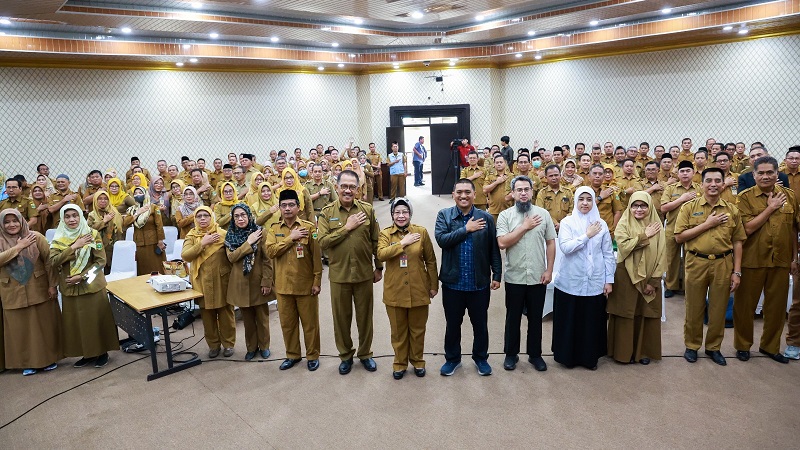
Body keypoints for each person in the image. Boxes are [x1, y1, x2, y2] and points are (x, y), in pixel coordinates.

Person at [674, 167, 746, 366]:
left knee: (718, 308)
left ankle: (714, 347)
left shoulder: (732, 210)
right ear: (702, 184)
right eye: (709, 181)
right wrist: (707, 224)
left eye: (717, 181)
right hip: (696, 261)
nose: (713, 184)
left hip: (723, 263)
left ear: (723, 184)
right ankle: (692, 345)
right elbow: (679, 236)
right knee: (694, 307)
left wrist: (737, 271)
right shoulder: (689, 207)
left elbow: (738, 241)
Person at [434, 179, 502, 376]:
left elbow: (493, 250)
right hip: (453, 283)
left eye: (467, 192)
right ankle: (452, 359)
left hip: (478, 283)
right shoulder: (444, 215)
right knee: (453, 324)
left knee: (480, 324)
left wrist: (496, 274)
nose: (463, 196)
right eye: (459, 192)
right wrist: (466, 229)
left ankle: (481, 358)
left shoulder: (486, 218)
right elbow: (442, 241)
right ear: (453, 194)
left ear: (474, 194)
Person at [318, 169, 383, 375]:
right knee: (341, 319)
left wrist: (379, 266)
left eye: (351, 187)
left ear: (358, 189)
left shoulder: (367, 210)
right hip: (339, 275)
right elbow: (322, 242)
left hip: (364, 273)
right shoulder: (327, 213)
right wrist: (346, 228)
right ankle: (345, 355)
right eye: (343, 186)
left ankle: (365, 354)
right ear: (336, 187)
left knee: (365, 318)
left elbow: (376, 240)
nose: (347, 190)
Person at [733, 156, 796, 364]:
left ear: (777, 174)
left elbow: (794, 230)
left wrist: (794, 258)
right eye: (761, 173)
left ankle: (770, 346)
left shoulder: (790, 197)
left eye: (770, 172)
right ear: (754, 175)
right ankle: (743, 345)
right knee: (745, 307)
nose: (766, 176)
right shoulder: (744, 198)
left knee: (776, 309)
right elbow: (747, 229)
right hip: (753, 260)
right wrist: (770, 208)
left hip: (781, 260)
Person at [497, 176, 555, 372]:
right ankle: (511, 355)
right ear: (512, 193)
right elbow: (503, 242)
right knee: (512, 318)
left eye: (526, 189)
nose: (523, 193)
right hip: (515, 276)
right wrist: (524, 227)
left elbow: (550, 243)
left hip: (538, 276)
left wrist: (549, 269)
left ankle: (535, 355)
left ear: (532, 192)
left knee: (536, 318)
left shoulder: (543, 214)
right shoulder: (505, 216)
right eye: (519, 190)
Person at [552, 187, 615, 370]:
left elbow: (608, 254)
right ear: (575, 201)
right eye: (581, 199)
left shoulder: (601, 224)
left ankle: (589, 358)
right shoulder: (567, 222)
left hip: (594, 280)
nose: (585, 203)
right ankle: (567, 358)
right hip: (571, 281)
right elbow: (566, 247)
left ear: (594, 201)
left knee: (590, 321)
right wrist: (587, 235)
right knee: (570, 320)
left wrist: (608, 280)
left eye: (589, 199)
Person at [50, 204, 118, 368]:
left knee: (96, 320)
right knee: (76, 323)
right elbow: (53, 262)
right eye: (67, 216)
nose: (72, 219)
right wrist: (73, 247)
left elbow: (100, 262)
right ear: (63, 219)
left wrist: (82, 277)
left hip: (91, 285)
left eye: (75, 215)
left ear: (80, 216)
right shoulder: (59, 238)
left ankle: (102, 352)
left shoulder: (92, 234)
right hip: (70, 288)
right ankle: (87, 354)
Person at [377, 198, 438, 379]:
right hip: (394, 291)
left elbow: (431, 261)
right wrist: (403, 243)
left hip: (418, 288)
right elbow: (381, 254)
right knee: (398, 331)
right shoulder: (385, 234)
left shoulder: (421, 232)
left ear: (410, 214)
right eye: (397, 212)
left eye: (405, 212)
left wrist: (433, 285)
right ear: (392, 215)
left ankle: (418, 361)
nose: (401, 216)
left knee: (418, 330)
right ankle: (400, 363)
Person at [265, 190, 322, 371]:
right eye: (284, 205)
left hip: (305, 285)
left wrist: (317, 281)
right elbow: (271, 252)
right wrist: (291, 238)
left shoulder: (309, 228)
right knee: (287, 325)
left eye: (291, 205)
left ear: (298, 207)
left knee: (310, 325)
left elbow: (316, 257)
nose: (287, 209)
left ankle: (312, 356)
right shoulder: (274, 229)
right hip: (283, 286)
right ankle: (292, 355)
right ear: (279, 208)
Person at [0, 209, 61, 376]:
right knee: (19, 330)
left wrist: (52, 285)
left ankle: (48, 359)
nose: (11, 224)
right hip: (12, 292)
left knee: (43, 327)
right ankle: (27, 363)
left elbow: (49, 262)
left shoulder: (35, 237)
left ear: (21, 221)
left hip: (38, 288)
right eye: (7, 222)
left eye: (15, 220)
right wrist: (19, 247)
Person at [607, 192, 665, 365]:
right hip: (626, 275)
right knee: (626, 312)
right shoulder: (623, 223)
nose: (639, 209)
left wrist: (654, 281)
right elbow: (623, 247)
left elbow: (663, 254)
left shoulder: (657, 225)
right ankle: (623, 353)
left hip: (649, 276)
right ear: (630, 207)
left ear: (649, 207)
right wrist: (644, 235)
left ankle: (643, 352)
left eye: (643, 206)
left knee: (645, 313)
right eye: (635, 205)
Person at [181, 206, 236, 358]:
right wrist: (203, 243)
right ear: (195, 219)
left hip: (222, 280)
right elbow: (186, 255)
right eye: (199, 216)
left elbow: (233, 255)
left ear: (212, 217)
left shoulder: (223, 234)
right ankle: (213, 345)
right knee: (207, 316)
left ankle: (228, 345)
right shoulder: (192, 235)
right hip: (202, 282)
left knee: (226, 314)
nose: (203, 218)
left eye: (206, 215)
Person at [226, 204, 274, 362]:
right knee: (247, 320)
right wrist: (248, 242)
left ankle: (264, 346)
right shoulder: (230, 235)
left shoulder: (260, 232)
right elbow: (232, 257)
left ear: (249, 216)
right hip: (240, 283)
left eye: (243, 215)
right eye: (236, 216)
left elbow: (268, 260)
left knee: (262, 318)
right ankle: (251, 347)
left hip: (258, 281)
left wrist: (267, 282)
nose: (240, 219)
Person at [660, 160, 700, 298]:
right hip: (672, 228)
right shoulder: (671, 188)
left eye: (688, 171)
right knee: (671, 259)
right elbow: (663, 208)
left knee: (691, 259)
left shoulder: (699, 189)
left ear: (693, 173)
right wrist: (682, 199)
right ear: (677, 173)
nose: (684, 174)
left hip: (693, 230)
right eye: (682, 171)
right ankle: (671, 286)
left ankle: (687, 287)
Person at [128, 186, 166, 275]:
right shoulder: (132, 209)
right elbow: (125, 222)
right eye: (135, 193)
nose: (138, 195)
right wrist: (138, 213)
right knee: (142, 268)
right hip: (139, 242)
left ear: (145, 194)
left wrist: (160, 241)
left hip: (153, 242)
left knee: (156, 267)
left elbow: (159, 225)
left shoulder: (153, 207)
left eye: (140, 193)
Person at [87, 190, 125, 274]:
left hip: (114, 246)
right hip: (98, 247)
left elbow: (120, 228)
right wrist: (104, 222)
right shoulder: (92, 215)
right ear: (95, 201)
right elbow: (89, 230)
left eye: (105, 199)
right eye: (100, 199)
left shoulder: (114, 213)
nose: (103, 201)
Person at [535, 165, 573, 233]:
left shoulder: (568, 192)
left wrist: (562, 224)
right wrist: (555, 223)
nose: (554, 178)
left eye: (556, 175)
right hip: (548, 230)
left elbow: (572, 211)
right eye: (551, 176)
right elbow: (540, 213)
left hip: (567, 229)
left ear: (560, 175)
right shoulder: (542, 193)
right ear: (546, 178)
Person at [484, 154, 512, 223]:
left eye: (501, 162)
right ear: (494, 164)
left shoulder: (511, 176)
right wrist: (496, 182)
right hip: (494, 211)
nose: (499, 164)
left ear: (505, 163)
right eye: (497, 162)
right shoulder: (490, 176)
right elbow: (485, 190)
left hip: (509, 210)